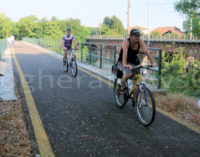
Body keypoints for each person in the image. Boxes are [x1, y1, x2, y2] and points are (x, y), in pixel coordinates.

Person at [118, 29, 156, 94]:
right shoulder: (126, 42)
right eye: (136, 36)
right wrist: (125, 64)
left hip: (134, 61)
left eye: (139, 35)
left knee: (136, 79)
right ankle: (121, 87)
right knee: (129, 73)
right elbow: (125, 53)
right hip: (123, 60)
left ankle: (134, 101)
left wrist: (153, 63)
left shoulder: (140, 41)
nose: (138, 37)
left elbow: (146, 51)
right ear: (130, 36)